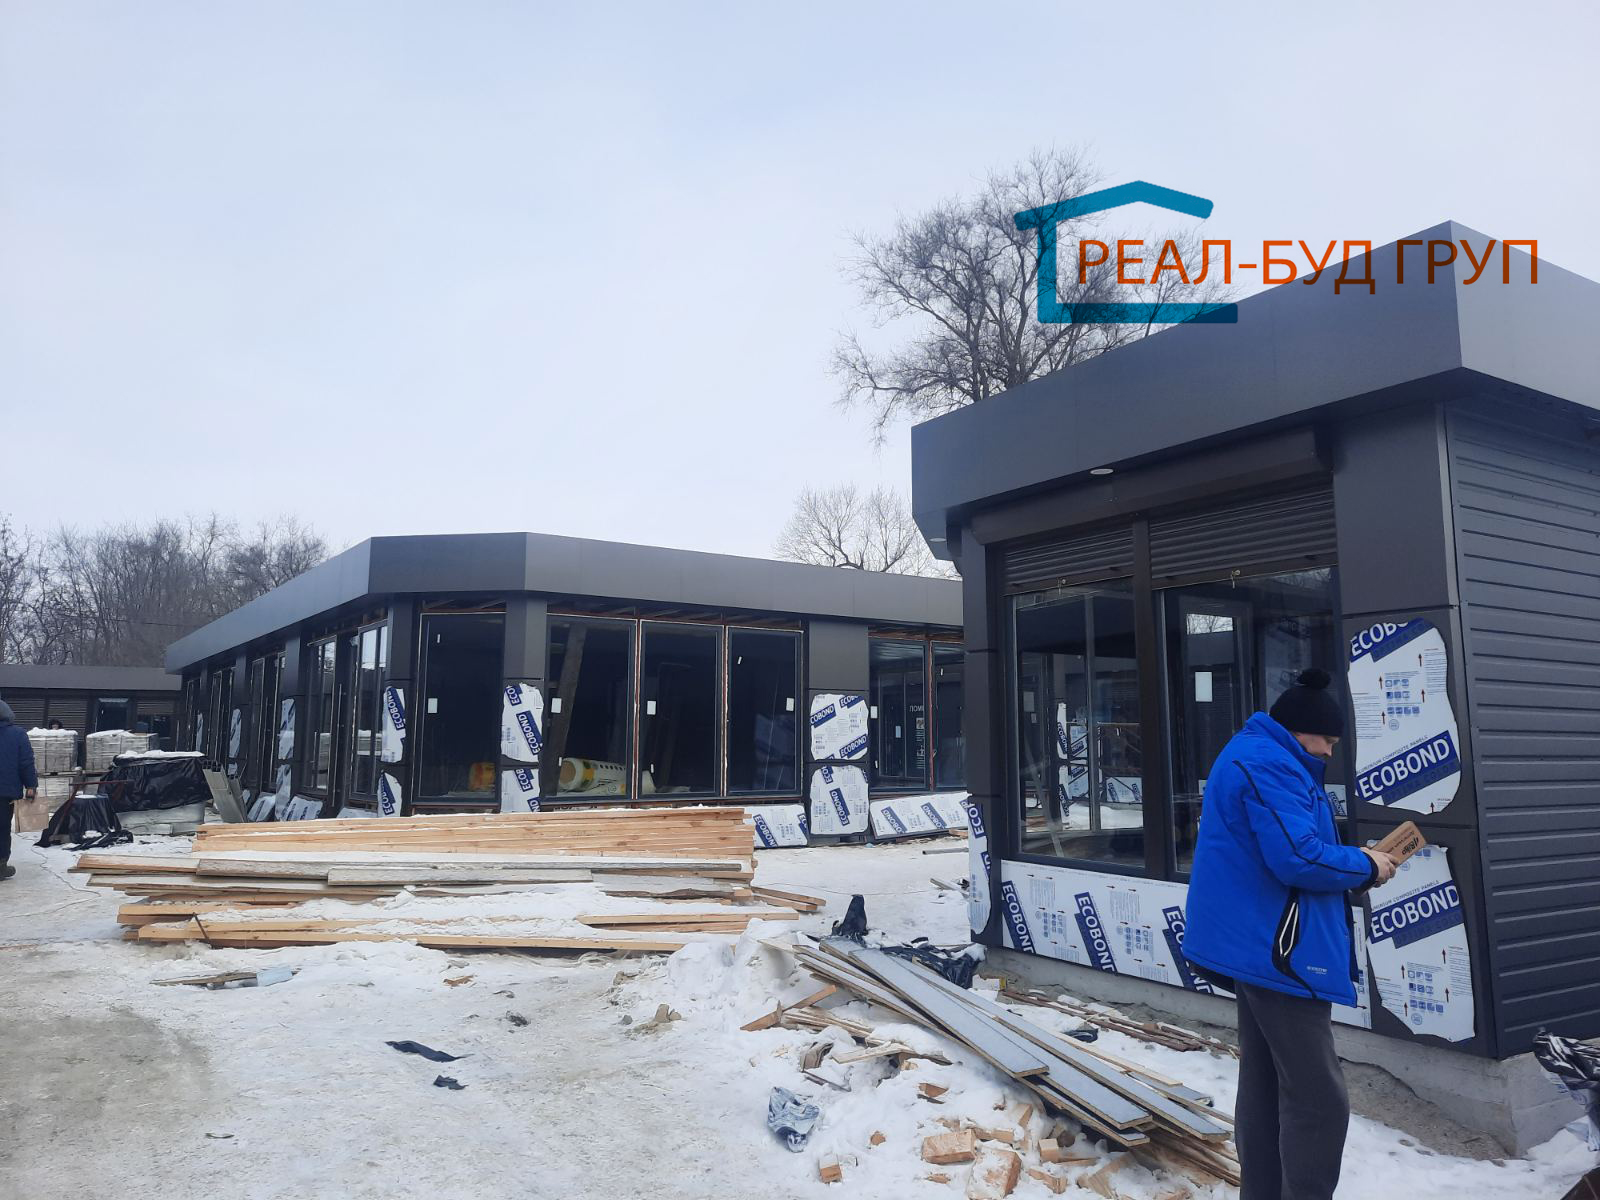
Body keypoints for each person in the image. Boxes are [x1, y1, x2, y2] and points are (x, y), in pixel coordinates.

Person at [1183, 668, 1397, 1200]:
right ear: (1302, 730)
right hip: (1279, 953)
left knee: (1265, 1087)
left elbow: (1288, 846)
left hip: (1258, 946)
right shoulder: (1269, 763)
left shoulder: (1259, 755)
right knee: (1319, 1100)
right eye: (1328, 741)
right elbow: (1297, 858)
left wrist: (1355, 860)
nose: (1330, 752)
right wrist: (1366, 865)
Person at [0, 698, 40, 881]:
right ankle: (1, 866)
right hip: (6, 792)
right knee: (2, 827)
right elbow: (26, 762)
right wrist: (31, 786)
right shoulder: (18, 734)